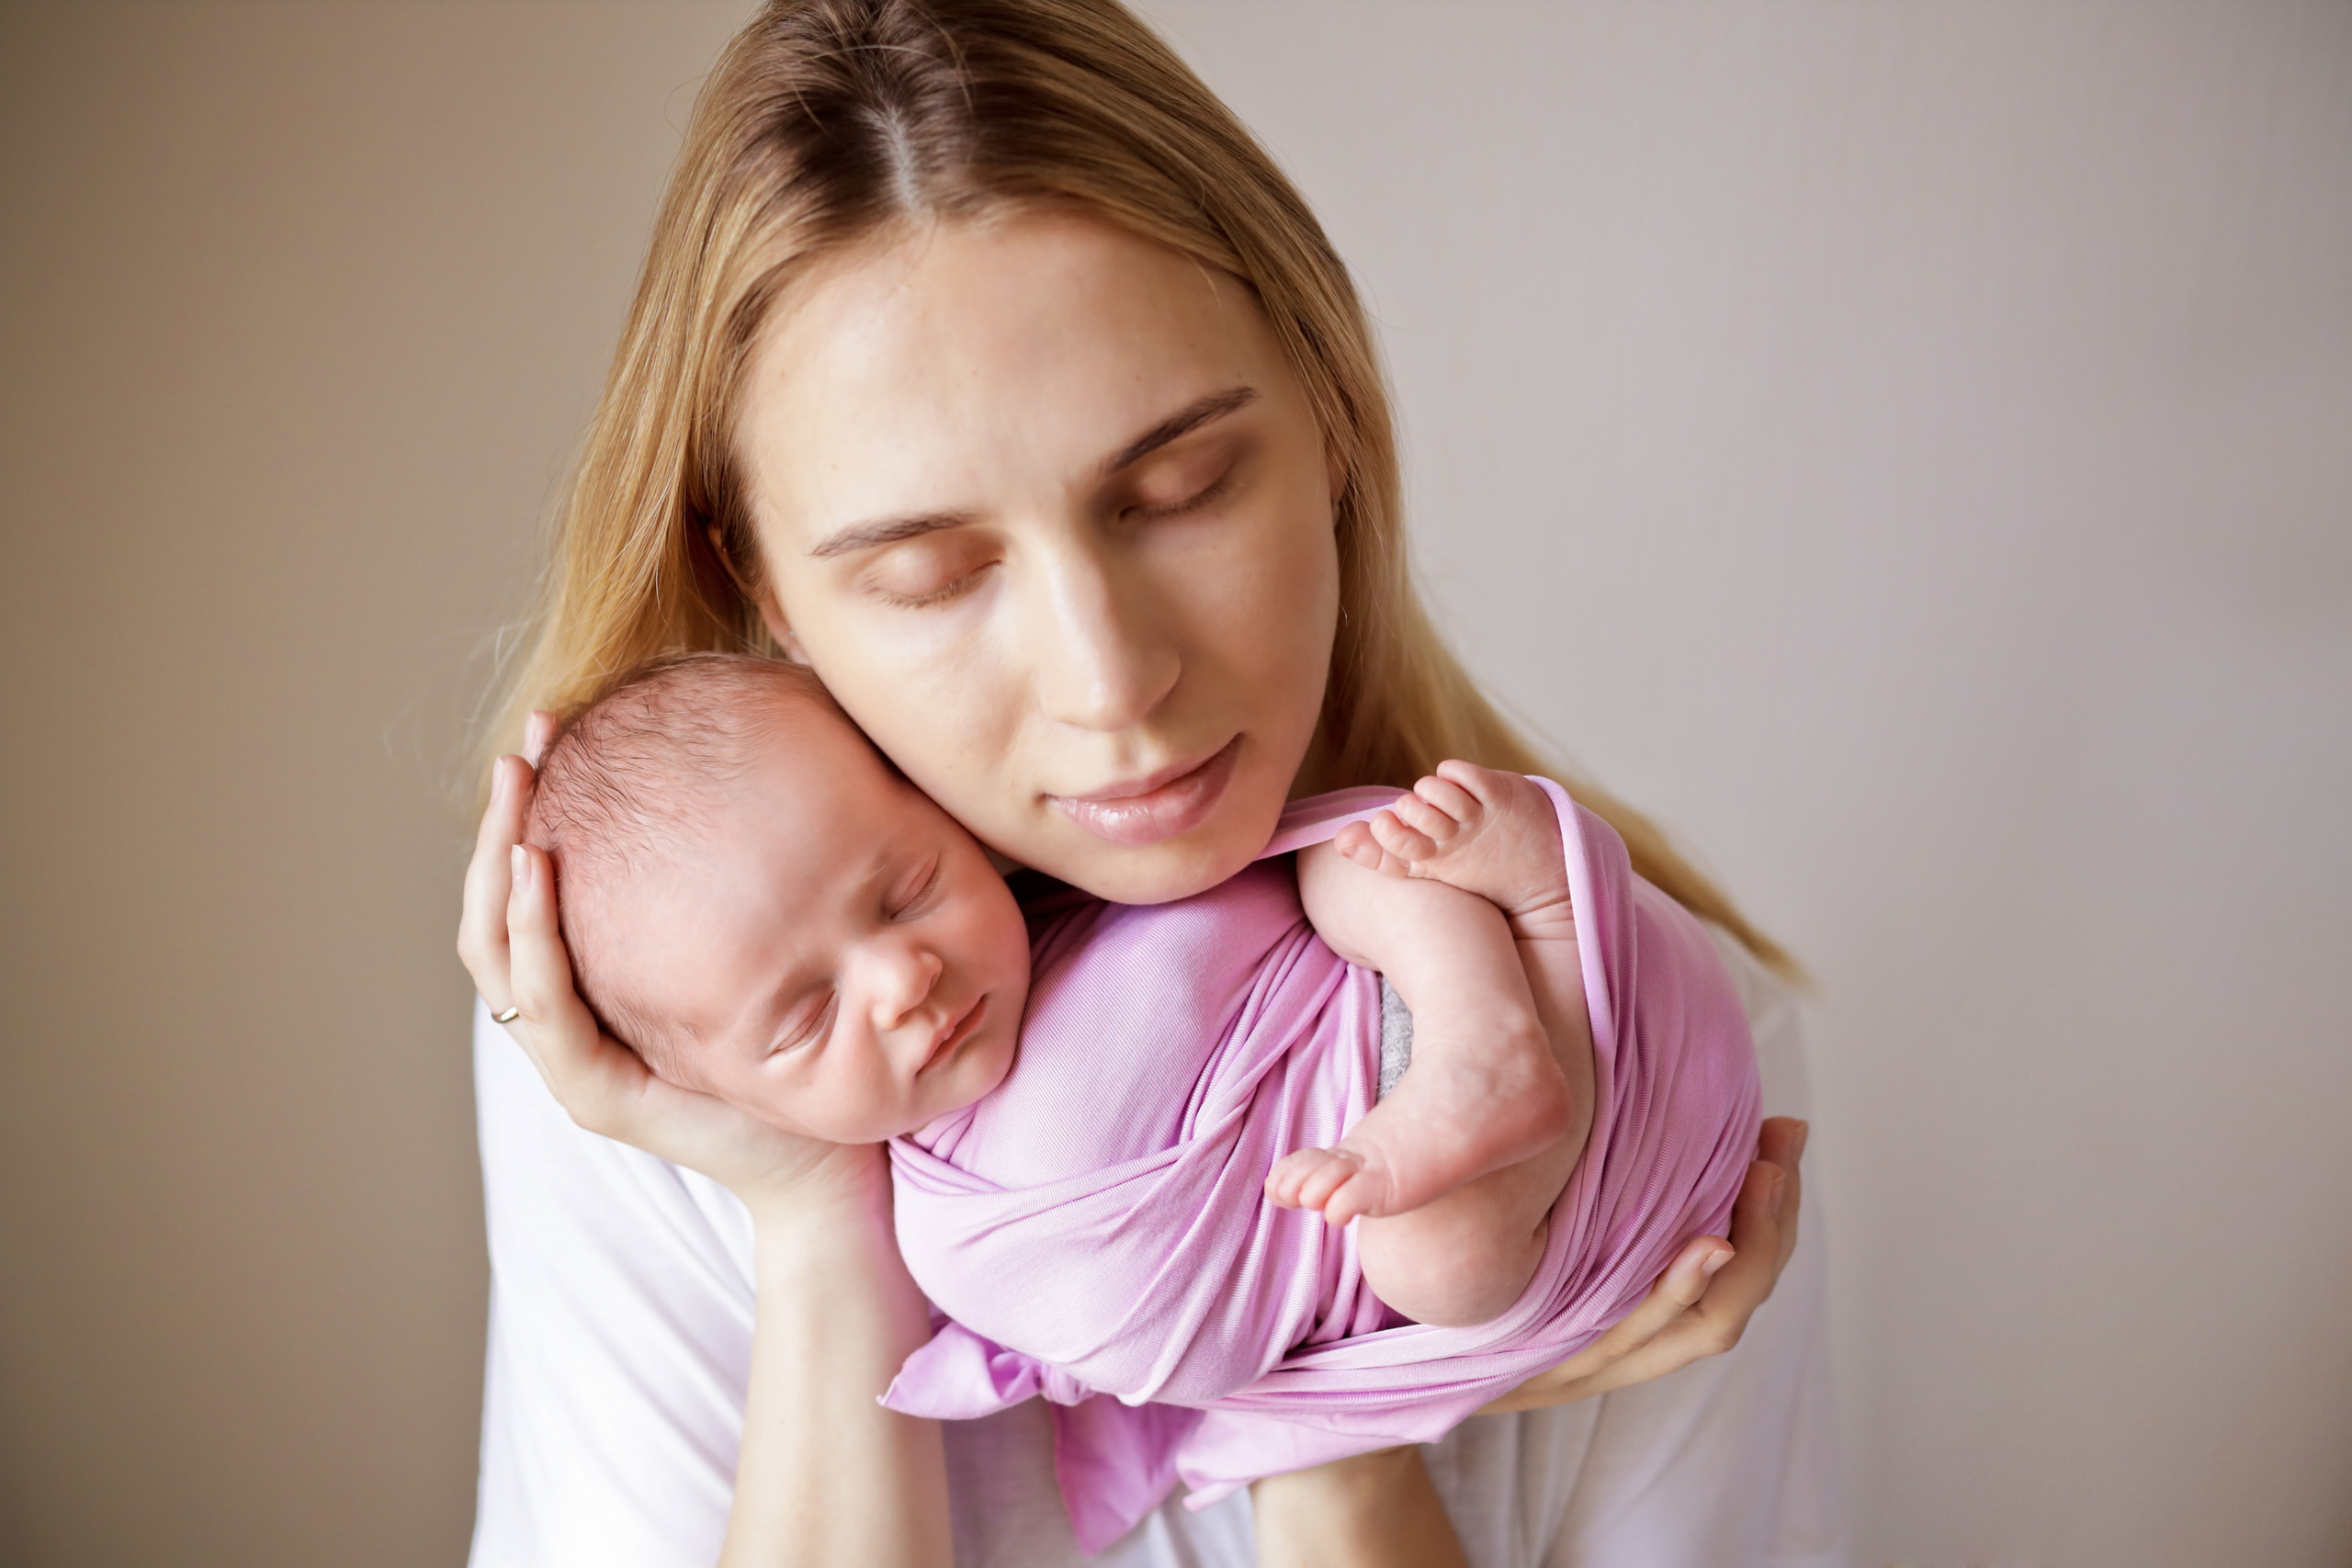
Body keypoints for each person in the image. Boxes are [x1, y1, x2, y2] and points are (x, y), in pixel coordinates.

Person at [456, 3, 1840, 1564]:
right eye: (928, 575)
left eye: (1179, 490)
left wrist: (1342, 1420)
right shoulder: (670, 1089)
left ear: (1328, 418)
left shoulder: (1627, 1016)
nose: (1110, 683)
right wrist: (821, 1225)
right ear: (768, 592)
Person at [513, 651, 1760, 1551]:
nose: (902, 978)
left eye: (904, 889)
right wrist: (810, 1202)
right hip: (1473, 1192)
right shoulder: (921, 1225)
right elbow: (1224, 1342)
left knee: (1348, 859)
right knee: (1445, 1269)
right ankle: (1503, 1030)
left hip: (1537, 1004)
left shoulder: (1110, 880)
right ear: (703, 1086)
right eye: (802, 1018)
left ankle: (1512, 982)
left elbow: (1278, 910)